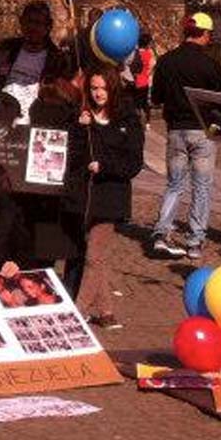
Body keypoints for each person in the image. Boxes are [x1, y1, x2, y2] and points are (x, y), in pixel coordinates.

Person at [150, 12, 221, 260]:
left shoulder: (165, 61)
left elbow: (156, 98)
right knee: (202, 187)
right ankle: (195, 241)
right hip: (203, 132)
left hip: (175, 131)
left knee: (174, 184)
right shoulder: (211, 65)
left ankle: (161, 233)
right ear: (205, 34)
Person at [69, 68, 144, 328]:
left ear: (113, 89)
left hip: (111, 196)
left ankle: (78, 312)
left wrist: (104, 166)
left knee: (94, 255)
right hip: (85, 196)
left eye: (103, 88)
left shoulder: (127, 119)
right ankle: (106, 311)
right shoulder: (84, 117)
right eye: (93, 88)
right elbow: (75, 154)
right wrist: (80, 130)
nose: (98, 93)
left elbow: (133, 163)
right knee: (95, 255)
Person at [21, 52, 82, 268]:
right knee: (49, 253)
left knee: (34, 251)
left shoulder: (39, 103)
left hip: (34, 185)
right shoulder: (68, 106)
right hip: (57, 188)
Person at [0, 1, 59, 91]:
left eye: (38, 23)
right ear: (21, 22)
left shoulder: (56, 59)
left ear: (48, 26)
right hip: (3, 101)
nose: (32, 27)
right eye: (29, 22)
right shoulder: (6, 49)